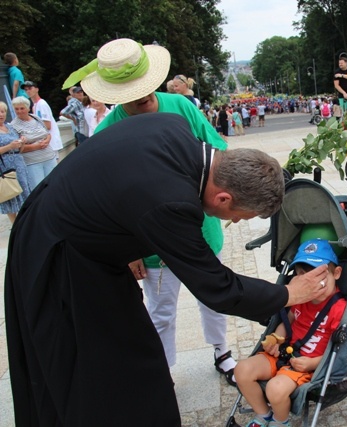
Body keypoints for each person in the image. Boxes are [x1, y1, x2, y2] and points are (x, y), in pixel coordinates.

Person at [5, 113, 330, 426]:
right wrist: (289, 293)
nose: (232, 222)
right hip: (62, 259)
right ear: (224, 197)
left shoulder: (175, 128)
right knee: (90, 369)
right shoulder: (171, 202)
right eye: (238, 216)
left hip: (80, 243)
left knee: (136, 353)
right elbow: (218, 288)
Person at [64, 38, 239, 385]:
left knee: (214, 297)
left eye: (142, 85)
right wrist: (126, 251)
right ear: (113, 92)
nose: (139, 95)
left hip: (199, 230)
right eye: (127, 91)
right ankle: (163, 370)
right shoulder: (107, 131)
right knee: (160, 311)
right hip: (149, 244)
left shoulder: (181, 106)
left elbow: (218, 151)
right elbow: (105, 200)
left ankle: (223, 352)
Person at [235, 239, 347, 427]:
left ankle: (280, 421)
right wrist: (276, 339)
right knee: (242, 370)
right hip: (285, 352)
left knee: (275, 388)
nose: (313, 284)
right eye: (303, 276)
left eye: (319, 275)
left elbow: (340, 349)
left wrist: (312, 363)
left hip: (308, 364)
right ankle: (264, 415)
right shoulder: (301, 297)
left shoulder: (338, 309)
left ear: (336, 273)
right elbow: (288, 322)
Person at [10, 96, 57, 189]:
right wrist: (37, 146)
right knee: (39, 189)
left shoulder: (35, 118)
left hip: (49, 157)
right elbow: (18, 148)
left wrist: (47, 141)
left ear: (28, 108)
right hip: (33, 162)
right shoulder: (13, 125)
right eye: (16, 109)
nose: (19, 111)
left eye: (22, 108)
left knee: (55, 186)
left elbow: (47, 133)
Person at [0, 101, 30, 222]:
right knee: (11, 194)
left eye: (2, 111)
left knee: (24, 191)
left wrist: (22, 143)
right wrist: (9, 146)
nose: (1, 114)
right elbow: (10, 147)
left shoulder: (10, 127)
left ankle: (25, 221)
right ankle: (15, 224)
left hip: (19, 163)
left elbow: (20, 149)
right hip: (5, 165)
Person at [22, 81, 63, 158]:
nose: (28, 91)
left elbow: (48, 126)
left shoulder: (42, 104)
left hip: (51, 143)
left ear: (37, 89)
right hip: (45, 143)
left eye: (30, 88)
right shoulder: (35, 105)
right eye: (26, 89)